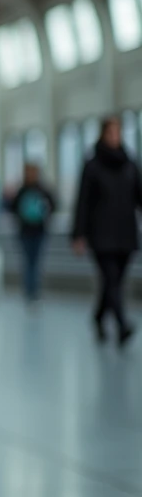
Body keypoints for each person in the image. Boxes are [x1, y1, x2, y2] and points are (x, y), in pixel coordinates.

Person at [73, 116, 142, 345]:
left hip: (125, 233)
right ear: (103, 134)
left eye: (118, 132)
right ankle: (122, 325)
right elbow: (83, 202)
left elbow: (139, 196)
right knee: (111, 279)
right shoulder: (92, 166)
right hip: (101, 234)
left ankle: (99, 316)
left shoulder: (130, 164)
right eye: (111, 132)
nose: (115, 137)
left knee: (113, 283)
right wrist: (78, 234)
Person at [8, 162, 57, 303]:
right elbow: (12, 208)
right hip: (25, 232)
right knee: (28, 262)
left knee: (36, 262)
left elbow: (53, 204)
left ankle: (34, 291)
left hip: (39, 231)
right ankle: (29, 291)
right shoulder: (22, 191)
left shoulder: (42, 190)